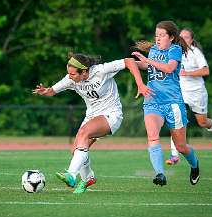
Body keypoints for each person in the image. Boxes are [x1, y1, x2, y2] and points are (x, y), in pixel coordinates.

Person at [33, 52, 146, 193]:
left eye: (73, 74)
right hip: (91, 117)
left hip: (111, 115)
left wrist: (140, 84)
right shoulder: (71, 79)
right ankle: (88, 178)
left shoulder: (101, 70)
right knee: (76, 151)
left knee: (84, 132)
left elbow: (129, 61)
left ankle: (71, 175)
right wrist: (45, 91)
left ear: (85, 71)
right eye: (69, 73)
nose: (70, 77)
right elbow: (52, 91)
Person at [131, 20, 200, 186]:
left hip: (173, 104)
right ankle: (160, 174)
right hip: (153, 101)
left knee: (181, 147)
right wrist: (131, 63)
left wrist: (147, 61)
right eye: (156, 35)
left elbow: (169, 68)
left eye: (162, 35)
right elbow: (147, 67)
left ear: (171, 37)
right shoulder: (153, 50)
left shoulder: (175, 50)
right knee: (152, 136)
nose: (158, 38)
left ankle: (195, 165)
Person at [165, 28, 212, 166]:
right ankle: (174, 155)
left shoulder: (195, 52)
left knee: (202, 122)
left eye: (186, 37)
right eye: (181, 37)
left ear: (191, 40)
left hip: (197, 92)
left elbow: (206, 70)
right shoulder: (173, 51)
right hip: (180, 91)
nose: (183, 39)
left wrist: (187, 73)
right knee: (177, 118)